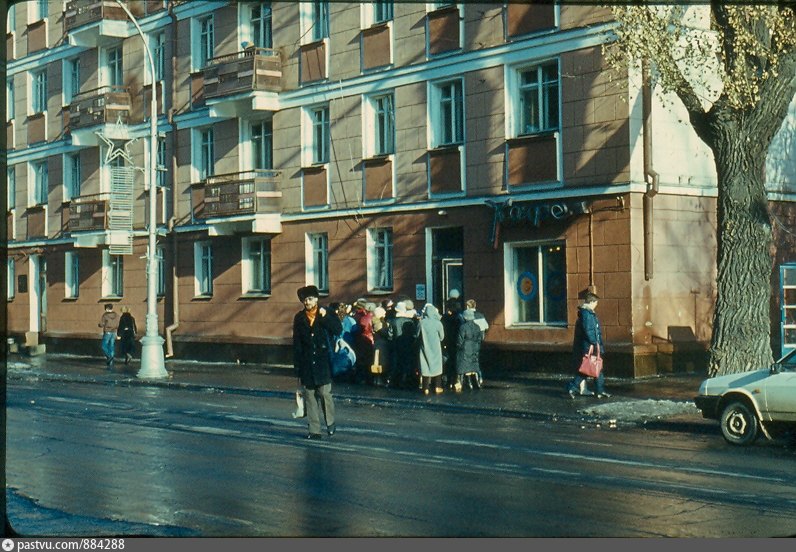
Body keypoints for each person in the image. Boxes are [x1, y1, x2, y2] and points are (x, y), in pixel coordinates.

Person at [293, 285, 343, 439]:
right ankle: (314, 430)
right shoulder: (299, 318)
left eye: (310, 299)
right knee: (310, 396)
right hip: (307, 362)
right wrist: (297, 367)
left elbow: (338, 329)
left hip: (323, 361)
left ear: (316, 299)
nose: (307, 302)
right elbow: (297, 343)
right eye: (304, 300)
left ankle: (330, 422)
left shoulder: (326, 312)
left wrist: (325, 317)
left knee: (324, 393)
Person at [567, 291, 610, 399]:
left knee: (594, 368)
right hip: (591, 346)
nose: (596, 305)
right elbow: (589, 330)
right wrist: (595, 343)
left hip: (591, 345)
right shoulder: (587, 314)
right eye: (595, 302)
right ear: (591, 302)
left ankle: (599, 391)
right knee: (590, 368)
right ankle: (573, 387)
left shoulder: (588, 313)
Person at [387, 300, 419, 389]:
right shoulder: (410, 321)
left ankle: (396, 382)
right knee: (409, 363)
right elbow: (414, 334)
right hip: (409, 344)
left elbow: (390, 335)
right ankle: (410, 382)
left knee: (397, 364)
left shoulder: (393, 321)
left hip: (396, 345)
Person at [416, 303, 445, 395]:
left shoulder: (421, 323)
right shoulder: (438, 323)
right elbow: (442, 337)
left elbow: (417, 334)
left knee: (425, 367)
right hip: (436, 347)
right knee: (437, 366)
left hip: (424, 347)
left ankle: (425, 388)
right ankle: (437, 386)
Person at [455, 308, 484, 391]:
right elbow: (480, 339)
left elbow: (460, 340)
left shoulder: (463, 327)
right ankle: (477, 382)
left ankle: (460, 383)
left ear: (465, 317)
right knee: (474, 365)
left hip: (464, 349)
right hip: (474, 349)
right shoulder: (477, 327)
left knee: (462, 366)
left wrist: (458, 346)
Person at [442, 289, 464, 388]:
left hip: (447, 341)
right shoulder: (459, 318)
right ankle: (455, 380)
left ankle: (448, 380)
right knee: (455, 361)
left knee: (448, 361)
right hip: (456, 341)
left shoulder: (445, 318)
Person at [98, 303, 120, 368]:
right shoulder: (116, 315)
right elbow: (118, 323)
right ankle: (111, 362)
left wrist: (100, 325)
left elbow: (101, 324)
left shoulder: (105, 315)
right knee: (111, 346)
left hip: (107, 331)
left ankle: (109, 356)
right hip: (114, 332)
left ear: (107, 308)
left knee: (104, 346)